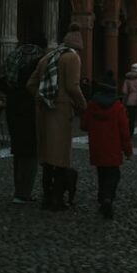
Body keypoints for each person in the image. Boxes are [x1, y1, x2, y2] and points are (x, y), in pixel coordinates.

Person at [26, 26, 87, 211]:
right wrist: (84, 106)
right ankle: (57, 199)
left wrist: (42, 96)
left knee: (47, 157)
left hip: (44, 111)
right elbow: (73, 86)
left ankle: (46, 197)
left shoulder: (48, 57)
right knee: (60, 157)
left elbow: (30, 84)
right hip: (61, 111)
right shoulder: (72, 58)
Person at [0, 41, 44, 204]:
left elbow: (0, 80)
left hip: (13, 108)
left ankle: (18, 190)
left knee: (18, 150)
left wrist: (11, 92)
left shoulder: (13, 57)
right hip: (29, 109)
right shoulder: (38, 61)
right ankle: (24, 193)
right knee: (30, 152)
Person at [81, 73, 133, 220]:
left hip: (97, 147)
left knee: (102, 173)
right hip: (113, 148)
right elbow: (124, 131)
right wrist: (128, 151)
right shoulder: (118, 107)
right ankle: (107, 199)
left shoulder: (92, 105)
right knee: (113, 174)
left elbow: (84, 125)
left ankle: (102, 197)